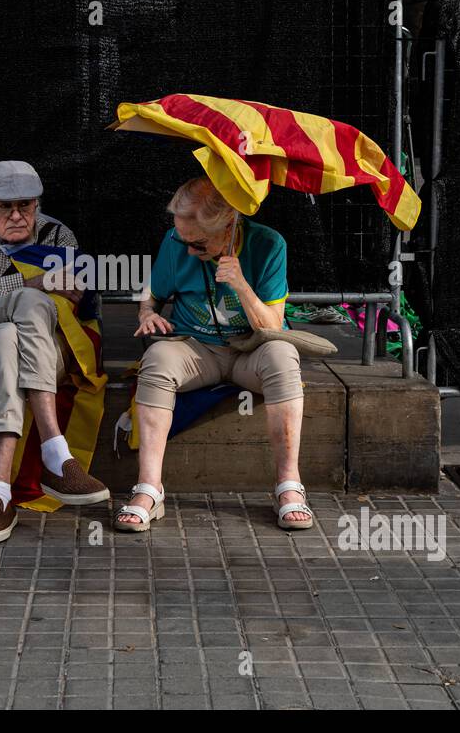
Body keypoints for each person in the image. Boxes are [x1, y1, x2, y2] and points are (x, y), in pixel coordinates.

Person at [117, 176, 313, 532]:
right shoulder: (177, 242)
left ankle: (288, 485)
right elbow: (153, 293)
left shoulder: (269, 245)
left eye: (199, 244)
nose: (189, 250)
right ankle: (149, 488)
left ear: (228, 226)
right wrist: (148, 313)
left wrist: (241, 284)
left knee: (283, 356)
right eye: (184, 240)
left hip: (249, 351)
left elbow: (271, 324)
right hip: (197, 349)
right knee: (158, 359)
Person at [0, 160, 109, 545]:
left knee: (7, 334)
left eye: (27, 205)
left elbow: (72, 296)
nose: (18, 216)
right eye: (4, 207)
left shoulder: (58, 235)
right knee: (29, 303)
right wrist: (37, 282)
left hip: (45, 349)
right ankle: (56, 453)